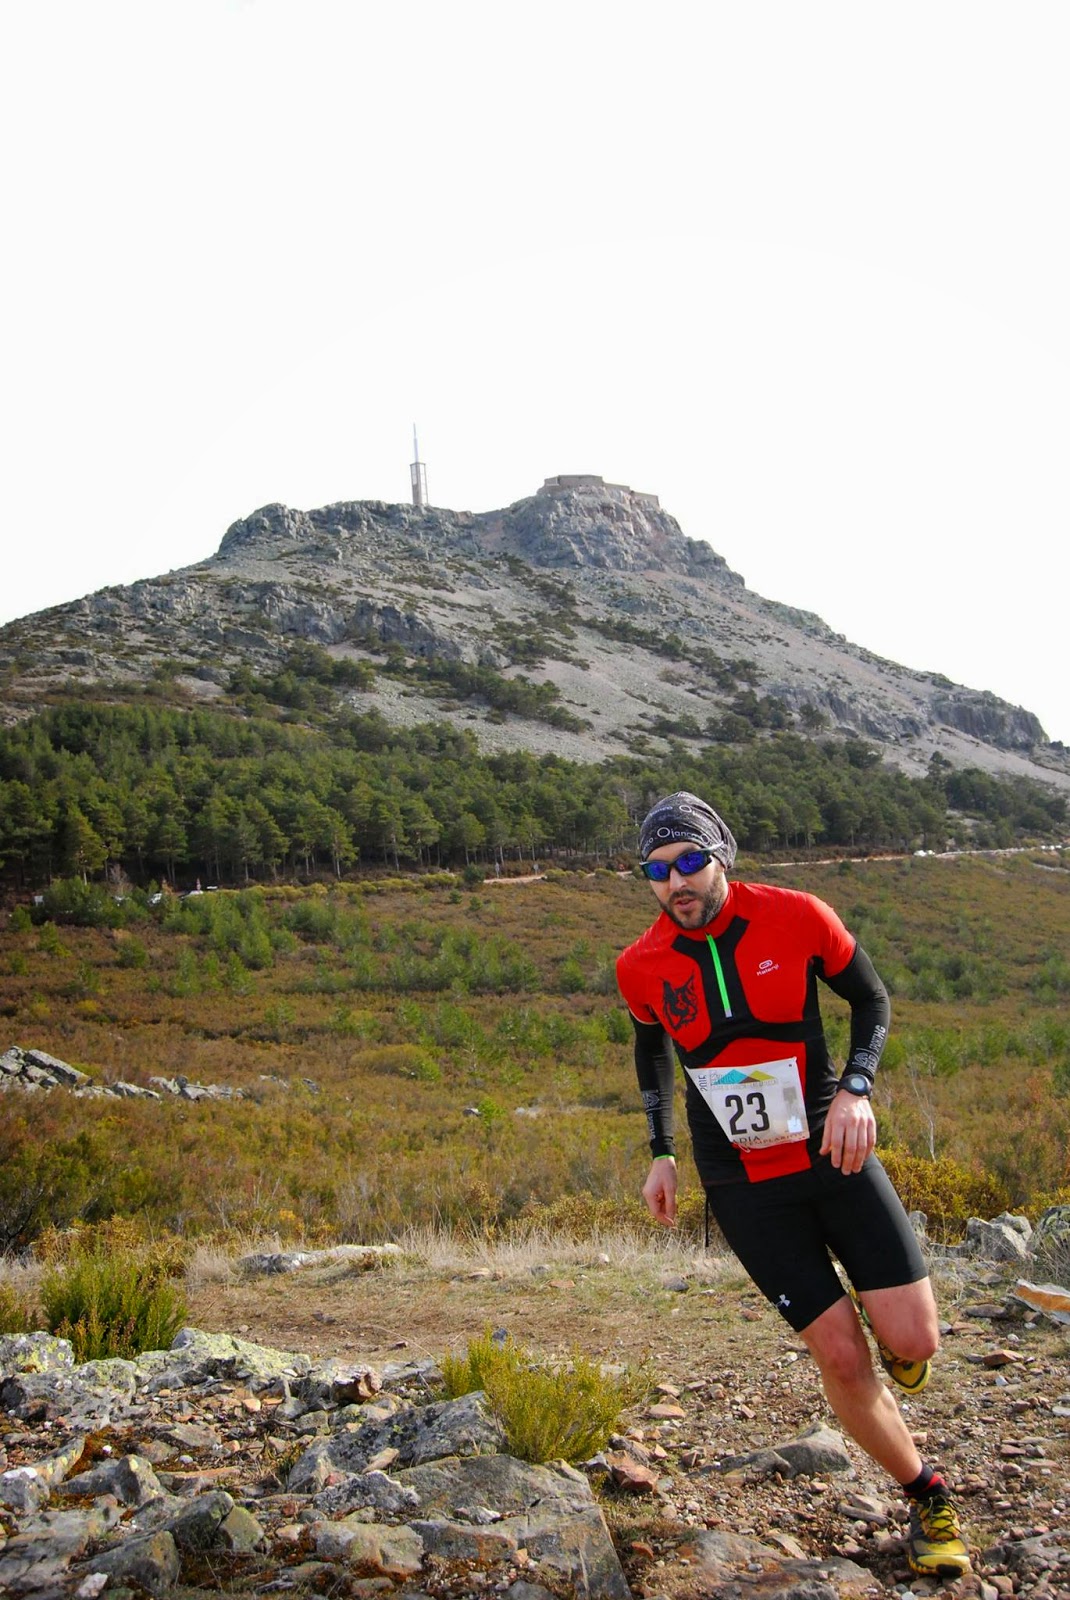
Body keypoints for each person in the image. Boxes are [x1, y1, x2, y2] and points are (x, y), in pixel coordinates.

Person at [616, 791, 969, 1579]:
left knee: (914, 1342)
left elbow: (871, 1000)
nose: (677, 881)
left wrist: (857, 1088)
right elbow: (652, 1051)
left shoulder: (799, 916)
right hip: (743, 1185)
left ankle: (900, 1345)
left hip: (833, 1154)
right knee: (840, 1357)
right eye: (657, 868)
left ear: (721, 858)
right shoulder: (639, 966)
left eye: (690, 861)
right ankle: (928, 1496)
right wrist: (661, 1151)